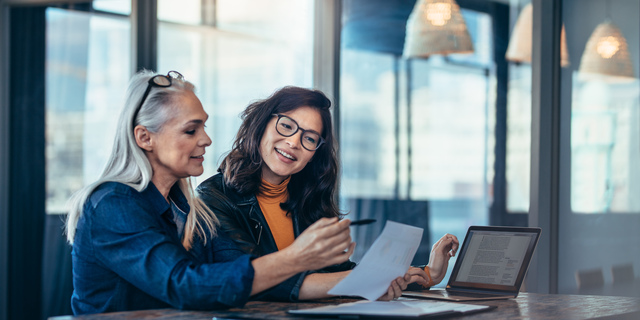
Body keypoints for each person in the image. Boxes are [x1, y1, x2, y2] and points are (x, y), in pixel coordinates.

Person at [65, 71, 408, 315]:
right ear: (144, 138)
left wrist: (399, 277)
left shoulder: (183, 207)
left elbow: (225, 280)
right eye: (191, 129)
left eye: (204, 126)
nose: (206, 140)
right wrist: (297, 258)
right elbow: (187, 287)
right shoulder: (113, 204)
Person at [196, 86, 460, 298]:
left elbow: (338, 273)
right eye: (286, 126)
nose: (293, 142)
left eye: (309, 138)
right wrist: (367, 281)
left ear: (314, 154)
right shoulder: (213, 198)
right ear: (262, 124)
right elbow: (257, 280)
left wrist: (427, 274)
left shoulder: (308, 199)